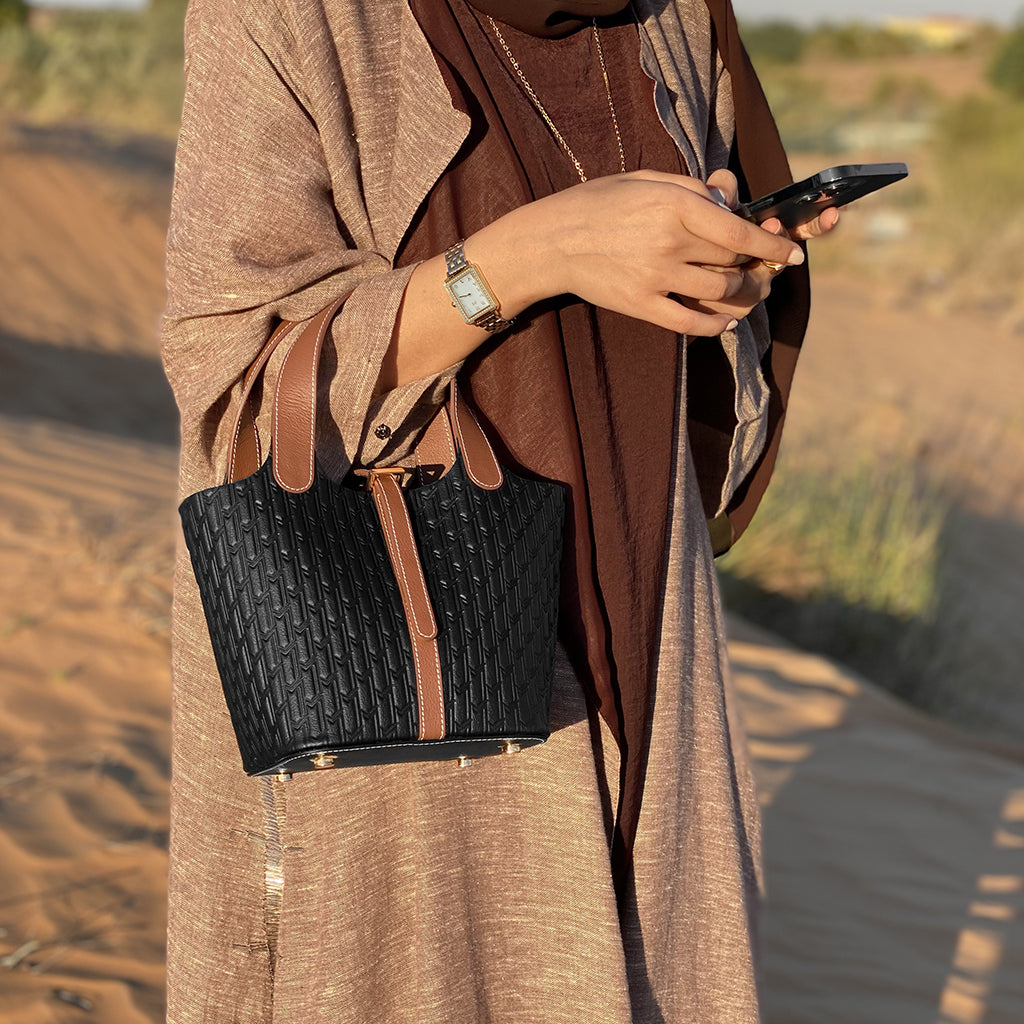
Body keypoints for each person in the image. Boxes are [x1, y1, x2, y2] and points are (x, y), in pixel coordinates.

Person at [159, 1, 837, 1021]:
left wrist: (722, 266)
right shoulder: (295, 14)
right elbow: (237, 388)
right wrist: (532, 257)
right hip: (394, 678)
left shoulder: (675, 16)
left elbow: (711, 401)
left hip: (646, 624)